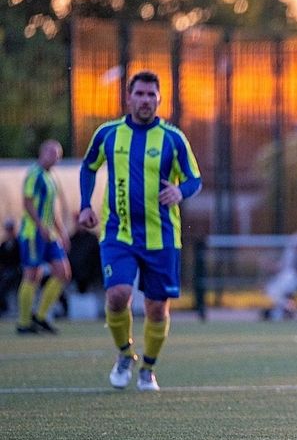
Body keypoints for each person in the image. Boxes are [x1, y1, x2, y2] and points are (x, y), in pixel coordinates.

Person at [78, 70, 202, 392]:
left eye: (151, 95)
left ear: (159, 99)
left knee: (157, 308)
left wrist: (180, 192)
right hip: (117, 234)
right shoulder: (108, 133)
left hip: (161, 237)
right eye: (140, 94)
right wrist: (85, 205)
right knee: (118, 295)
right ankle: (124, 355)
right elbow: (88, 166)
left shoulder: (173, 139)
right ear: (129, 97)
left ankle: (148, 368)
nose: (146, 100)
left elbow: (194, 179)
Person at [16, 140, 72, 334]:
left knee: (63, 273)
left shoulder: (50, 177)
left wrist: (62, 231)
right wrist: (40, 226)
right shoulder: (34, 174)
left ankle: (40, 316)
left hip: (49, 233)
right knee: (32, 274)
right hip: (33, 233)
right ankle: (23, 323)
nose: (55, 157)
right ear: (42, 152)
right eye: (51, 152)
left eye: (58, 154)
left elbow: (52, 209)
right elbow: (27, 202)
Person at [0, 218, 21, 317]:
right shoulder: (4, 245)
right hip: (6, 272)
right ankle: (4, 308)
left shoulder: (19, 243)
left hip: (17, 271)